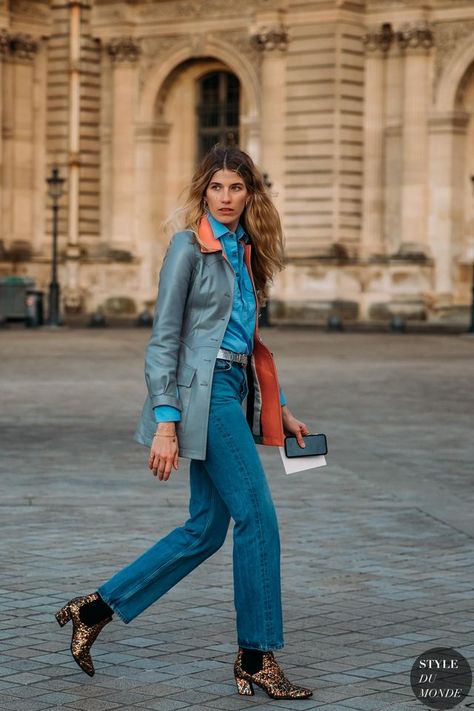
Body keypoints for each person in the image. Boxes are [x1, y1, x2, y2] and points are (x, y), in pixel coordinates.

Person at [55, 146, 313, 701]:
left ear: (251, 194)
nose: (226, 198)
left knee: (204, 529)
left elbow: (249, 342)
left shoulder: (245, 252)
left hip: (236, 387)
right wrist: (167, 422)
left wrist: (279, 405)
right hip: (205, 395)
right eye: (216, 187)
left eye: (236, 188)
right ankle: (255, 656)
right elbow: (164, 342)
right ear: (204, 192)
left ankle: (95, 608)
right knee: (258, 518)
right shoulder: (188, 250)